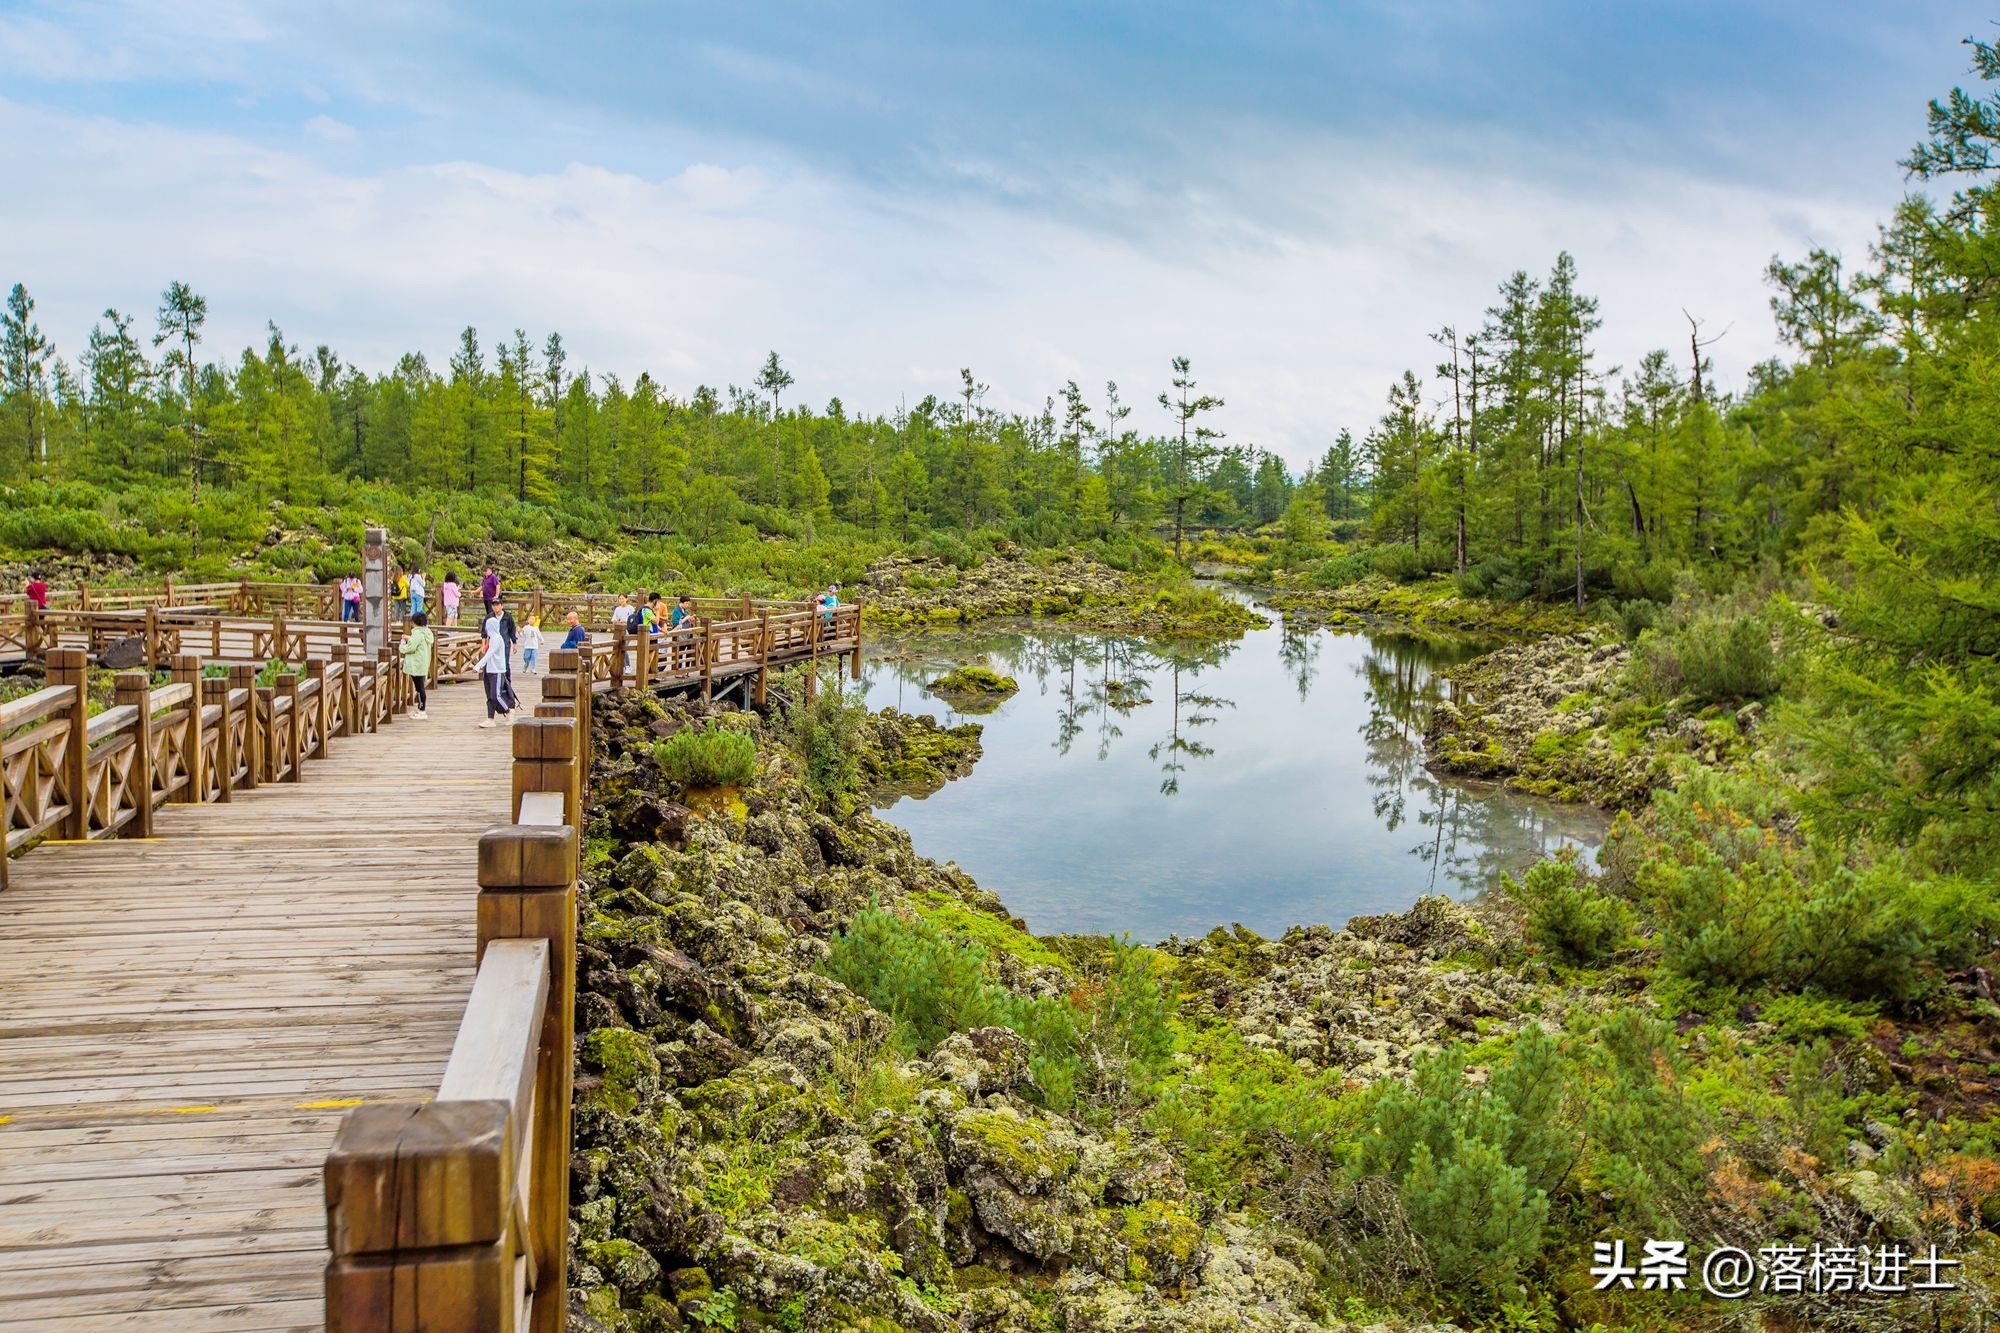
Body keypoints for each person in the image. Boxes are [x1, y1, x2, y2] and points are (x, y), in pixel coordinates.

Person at [477, 609, 511, 728]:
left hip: (497, 670)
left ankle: (508, 711)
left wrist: (478, 665)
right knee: (490, 696)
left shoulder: (497, 638)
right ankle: (490, 718)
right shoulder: (491, 639)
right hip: (490, 669)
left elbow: (490, 653)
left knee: (496, 695)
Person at [400, 612, 435, 720]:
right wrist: (409, 638)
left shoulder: (417, 634)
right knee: (420, 687)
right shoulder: (426, 632)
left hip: (416, 664)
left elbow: (411, 648)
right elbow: (417, 642)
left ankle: (422, 710)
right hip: (423, 663)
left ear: (414, 622)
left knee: (419, 688)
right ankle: (421, 709)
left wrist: (401, 646)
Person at [498, 600, 521, 710]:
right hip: (494, 644)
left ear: (501, 605)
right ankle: (499, 683)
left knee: (505, 664)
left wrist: (514, 643)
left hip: (505, 644)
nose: (496, 607)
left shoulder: (508, 617)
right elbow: (484, 631)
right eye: (494, 605)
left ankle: (507, 683)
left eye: (497, 604)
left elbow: (512, 630)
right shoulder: (490, 617)